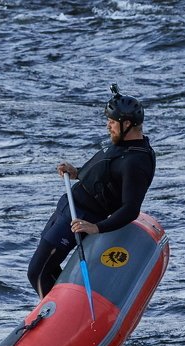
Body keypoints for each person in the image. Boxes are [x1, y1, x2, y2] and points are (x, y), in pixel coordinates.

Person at [27, 84, 157, 298]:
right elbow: (107, 173)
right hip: (69, 208)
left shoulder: (137, 162)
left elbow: (131, 209)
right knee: (45, 269)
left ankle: (57, 319)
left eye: (112, 122)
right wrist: (78, 172)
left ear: (127, 124)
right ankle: (61, 306)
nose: (108, 126)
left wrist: (97, 227)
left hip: (83, 217)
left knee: (38, 272)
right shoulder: (123, 144)